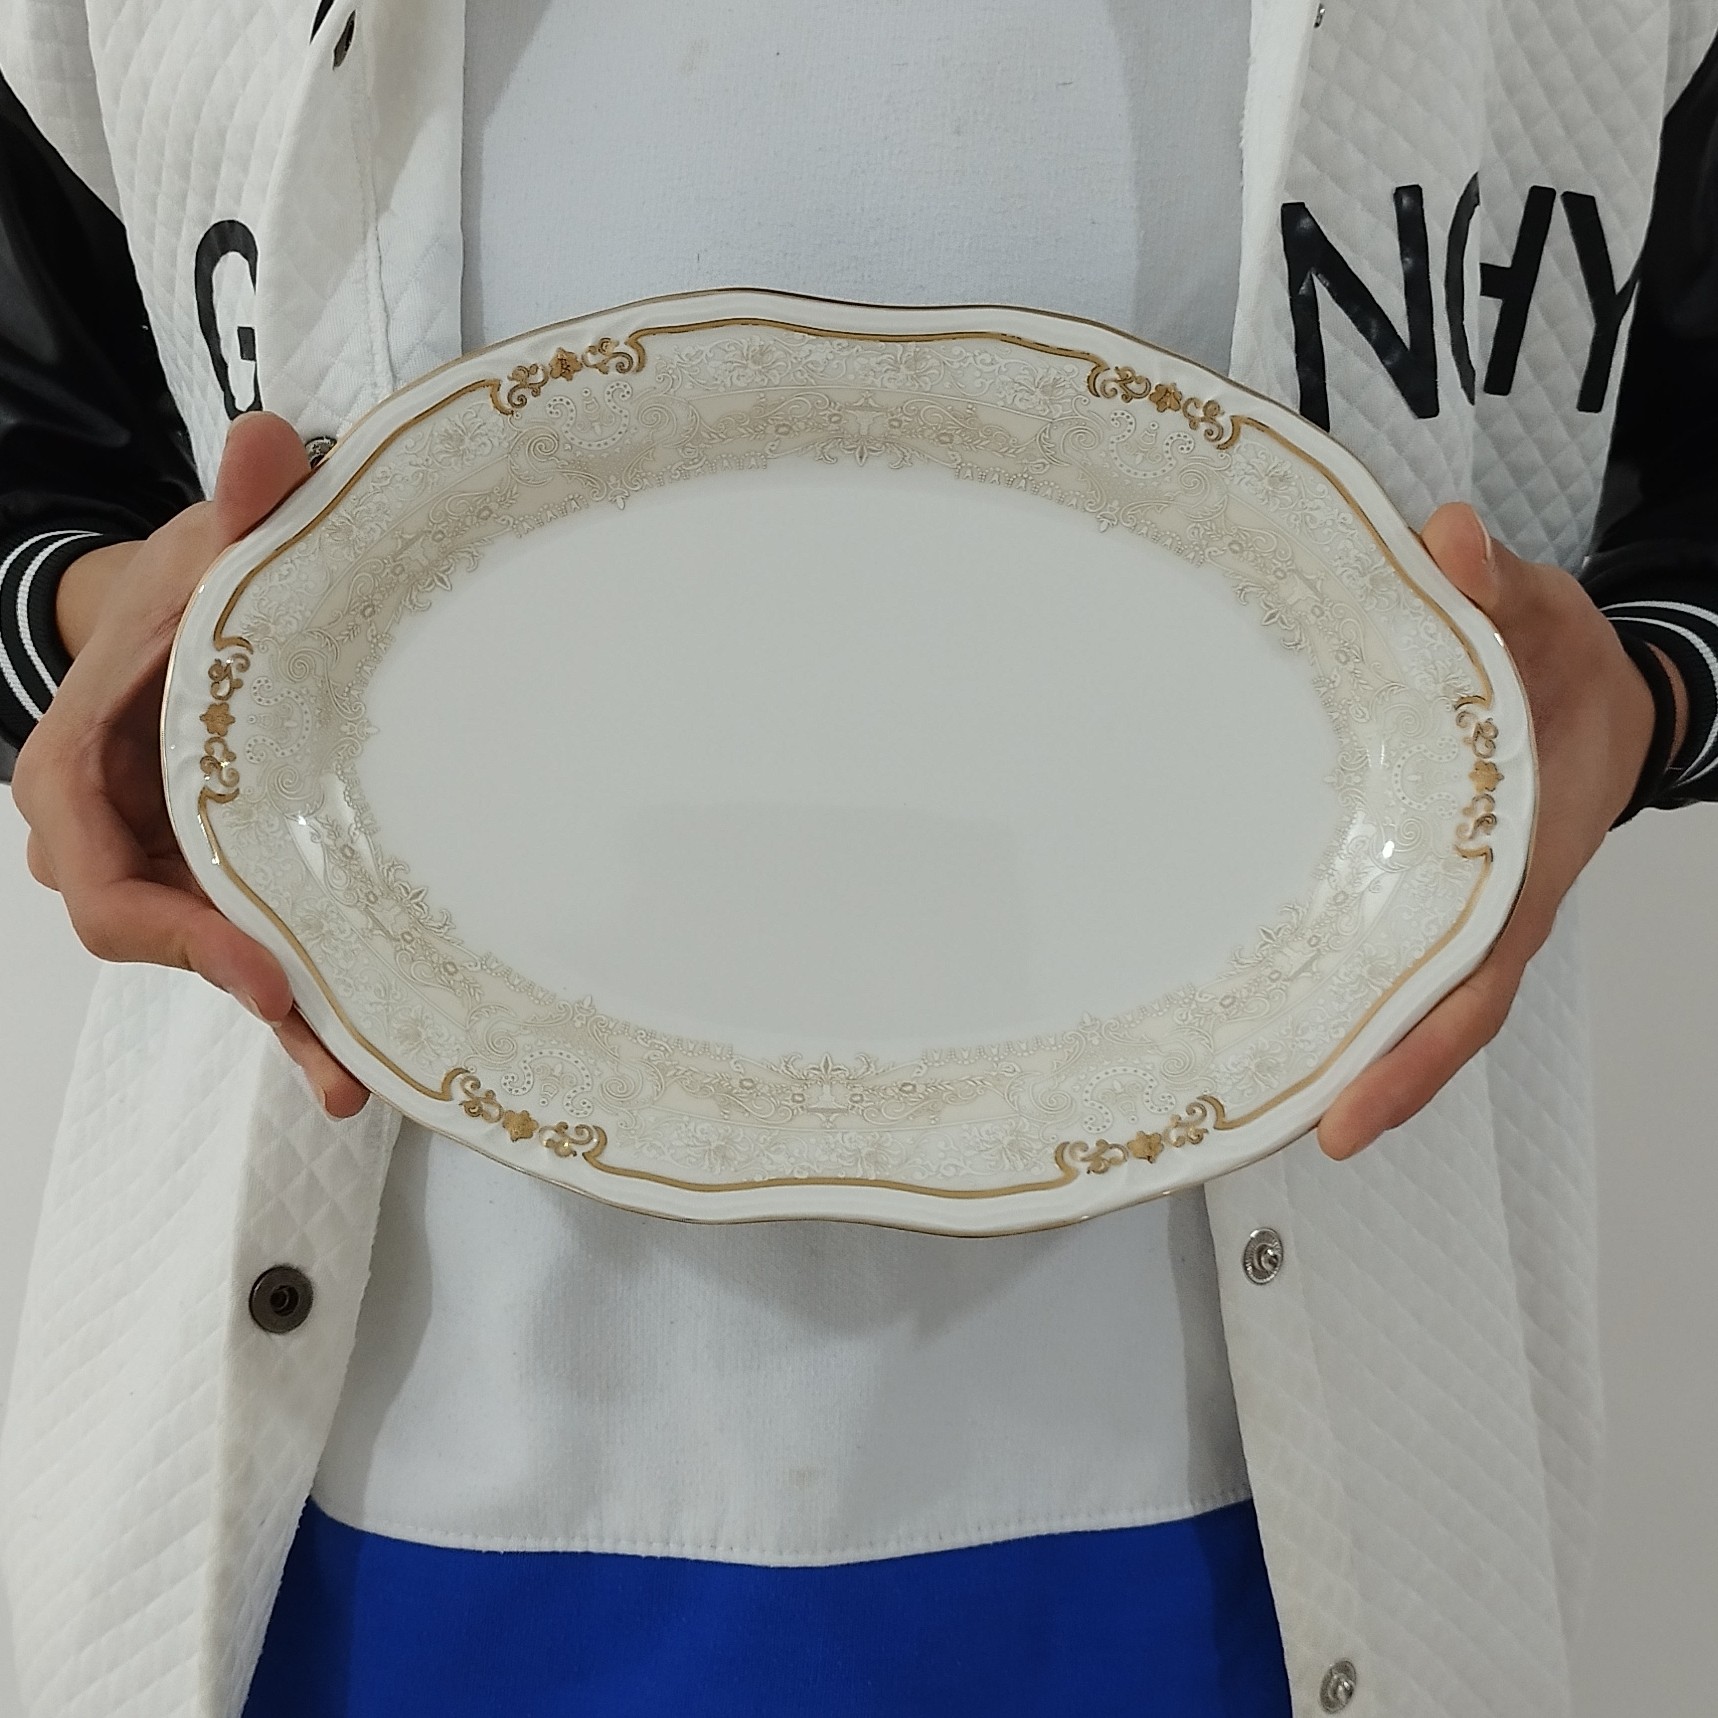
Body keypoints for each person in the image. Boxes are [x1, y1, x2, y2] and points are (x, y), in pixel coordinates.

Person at [1, 4, 1716, 1714]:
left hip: (1258, 1514)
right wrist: (98, 633)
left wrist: (1639, 698)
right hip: (369, 1494)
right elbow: (38, 423)